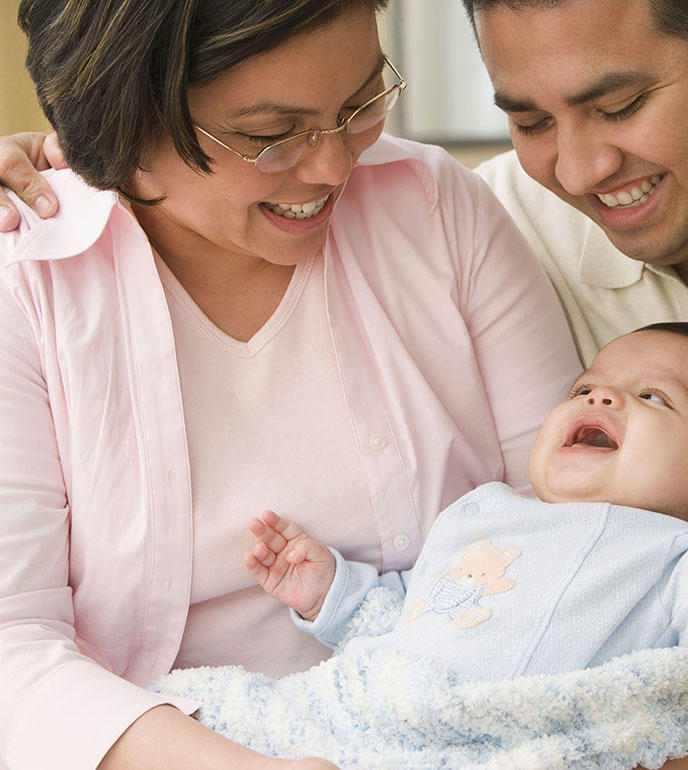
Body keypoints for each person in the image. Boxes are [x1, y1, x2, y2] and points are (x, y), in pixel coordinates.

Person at [6, 0, 688, 766]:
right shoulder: (508, 210)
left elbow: (559, 546)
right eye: (528, 119)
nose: (577, 170)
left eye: (360, 106)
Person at [0, 1, 583, 769]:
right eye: (270, 137)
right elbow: (15, 650)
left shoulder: (436, 209)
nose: (334, 166)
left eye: (360, 104)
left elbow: (572, 530)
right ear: (124, 128)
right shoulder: (29, 285)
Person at [155, 323, 688, 768]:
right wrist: (333, 592)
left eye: (651, 396)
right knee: (188, 715)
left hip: (509, 744)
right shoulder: (485, 514)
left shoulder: (676, 559)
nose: (603, 396)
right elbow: (418, 627)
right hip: (387, 723)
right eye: (585, 388)